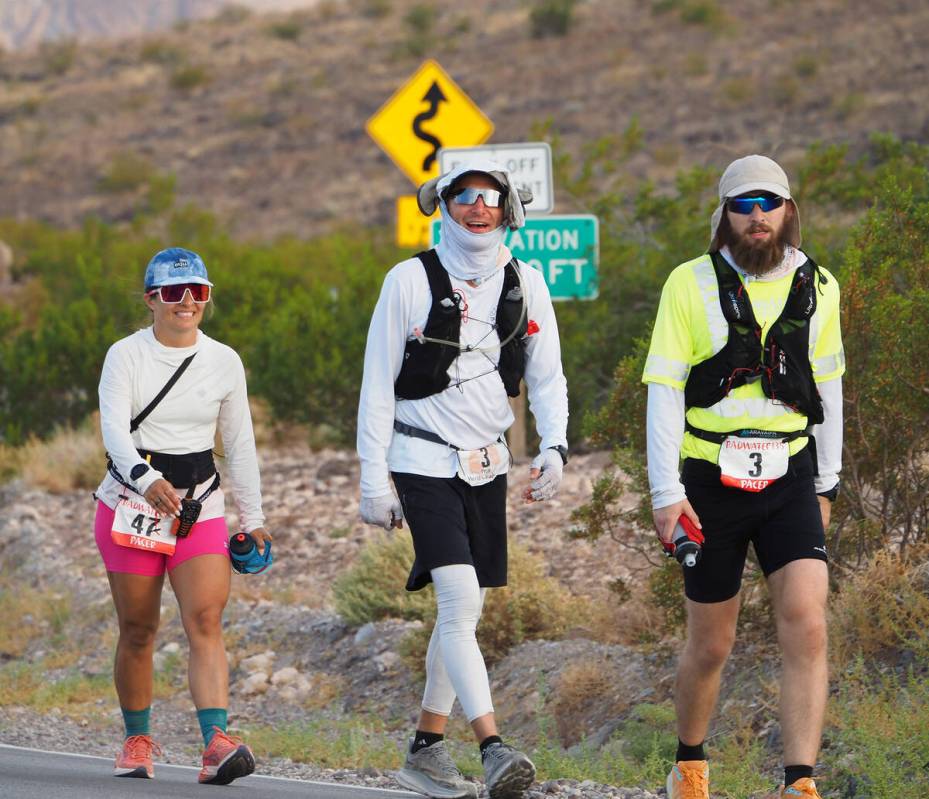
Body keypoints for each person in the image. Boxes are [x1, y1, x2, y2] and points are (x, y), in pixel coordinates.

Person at [356, 160, 569, 799]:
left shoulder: (526, 283)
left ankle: (424, 748)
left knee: (466, 610)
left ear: (509, 210)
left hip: (486, 463)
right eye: (464, 196)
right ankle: (494, 747)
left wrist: (555, 448)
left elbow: (548, 375)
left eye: (491, 198)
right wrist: (373, 480)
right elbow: (376, 385)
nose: (478, 208)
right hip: (419, 460)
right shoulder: (407, 281)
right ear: (442, 205)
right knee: (457, 601)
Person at [643, 155, 843, 799]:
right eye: (742, 205)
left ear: (788, 210)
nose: (756, 216)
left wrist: (827, 483)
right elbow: (664, 390)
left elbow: (829, 387)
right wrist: (665, 493)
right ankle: (691, 764)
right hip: (709, 480)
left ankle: (799, 782)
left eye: (768, 203)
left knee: (807, 619)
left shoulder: (822, 286)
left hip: (791, 474)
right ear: (724, 217)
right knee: (711, 643)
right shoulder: (688, 283)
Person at [94, 247, 271, 785]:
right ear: (152, 300)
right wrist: (148, 482)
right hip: (132, 505)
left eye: (198, 291)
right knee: (140, 628)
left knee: (205, 620)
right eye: (173, 292)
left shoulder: (224, 361)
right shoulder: (125, 355)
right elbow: (115, 435)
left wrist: (253, 515)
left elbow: (240, 443)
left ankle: (216, 743)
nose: (187, 301)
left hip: (200, 505)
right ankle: (136, 740)